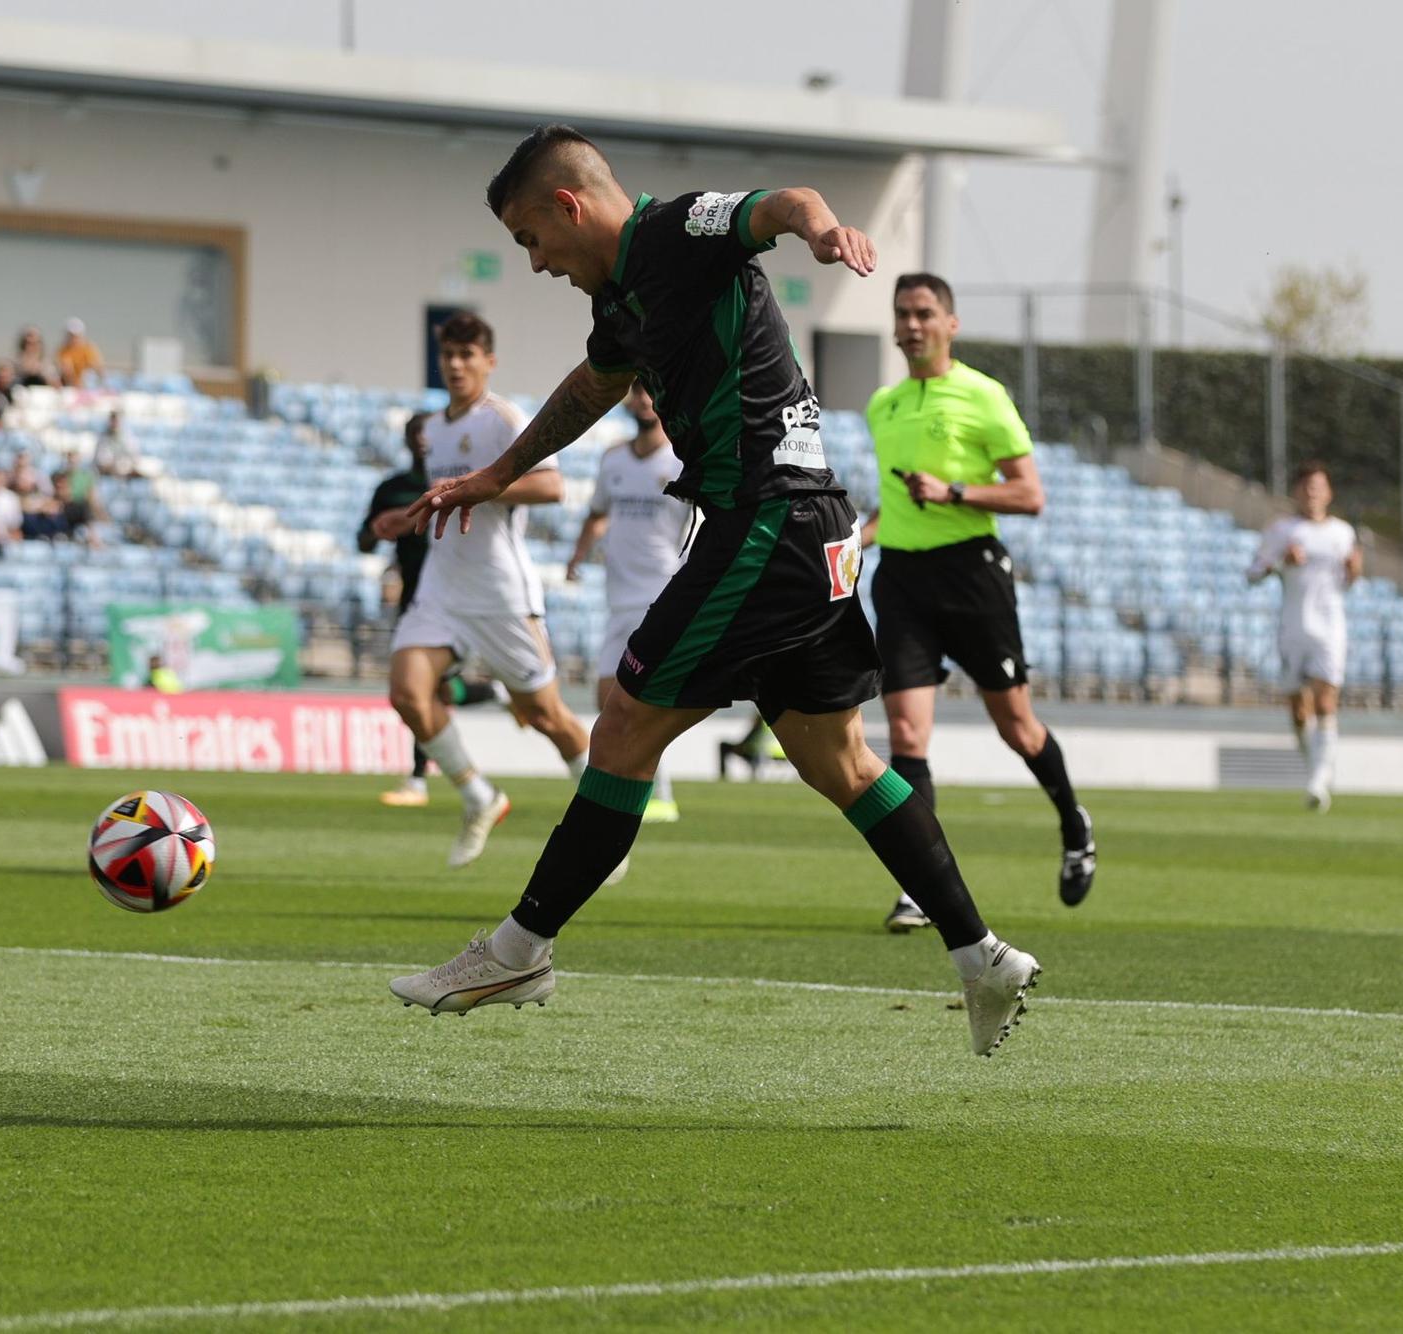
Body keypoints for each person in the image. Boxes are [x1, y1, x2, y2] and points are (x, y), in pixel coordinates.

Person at [391, 125, 1038, 1057]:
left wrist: (820, 230)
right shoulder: (623, 298)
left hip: (764, 522)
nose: (533, 263)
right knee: (836, 762)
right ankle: (982, 957)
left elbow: (778, 205)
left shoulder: (671, 233)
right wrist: (499, 472)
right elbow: (591, 388)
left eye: (530, 238)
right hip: (807, 531)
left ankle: (518, 948)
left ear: (566, 205)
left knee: (623, 727)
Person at [862, 273, 1095, 930]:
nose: (912, 325)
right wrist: (859, 536)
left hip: (972, 579)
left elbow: (1030, 495)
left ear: (951, 324)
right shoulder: (885, 405)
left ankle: (1074, 823)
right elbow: (900, 498)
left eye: (924, 313)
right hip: (902, 580)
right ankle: (921, 886)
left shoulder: (984, 396)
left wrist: (957, 493)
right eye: (902, 313)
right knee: (906, 733)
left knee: (1016, 727)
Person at [386, 310, 595, 869]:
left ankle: (605, 822)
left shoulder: (503, 419)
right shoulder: (433, 428)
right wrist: (403, 521)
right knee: (407, 692)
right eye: (448, 355)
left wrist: (483, 488)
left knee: (546, 715)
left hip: (500, 591)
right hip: (441, 586)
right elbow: (446, 498)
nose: (456, 365)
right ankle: (481, 797)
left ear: (488, 361)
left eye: (466, 355)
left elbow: (552, 488)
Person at [360, 411, 507, 808]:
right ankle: (495, 691)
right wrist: (375, 532)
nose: (421, 440)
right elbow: (364, 539)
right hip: (416, 596)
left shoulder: (458, 482)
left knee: (426, 689)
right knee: (427, 690)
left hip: (456, 595)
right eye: (413, 434)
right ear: (408, 441)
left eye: (426, 432)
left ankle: (418, 779)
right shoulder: (392, 488)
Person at [566, 381, 688, 822]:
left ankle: (660, 792)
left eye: (650, 390)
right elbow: (598, 513)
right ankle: (644, 787)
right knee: (607, 698)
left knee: (637, 701)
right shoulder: (613, 459)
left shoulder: (682, 459)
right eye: (636, 391)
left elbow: (703, 522)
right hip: (618, 597)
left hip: (660, 594)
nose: (642, 399)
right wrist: (579, 552)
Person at [1247, 462, 1361, 811]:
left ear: (1329, 493)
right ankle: (1316, 770)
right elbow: (1253, 573)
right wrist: (1282, 561)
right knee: (1299, 710)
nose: (1312, 493)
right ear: (1297, 491)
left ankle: (1319, 780)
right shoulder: (1282, 530)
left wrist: (1355, 572)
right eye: (1306, 487)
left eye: (1318, 487)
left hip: (1330, 626)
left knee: (1326, 700)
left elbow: (1349, 580)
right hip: (1294, 625)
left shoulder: (1342, 533)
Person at [56, 318, 103, 387]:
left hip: (87, 384)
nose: (74, 338)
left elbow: (98, 367)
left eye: (76, 336)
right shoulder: (63, 350)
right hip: (70, 384)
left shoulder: (88, 349)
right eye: (71, 335)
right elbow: (66, 371)